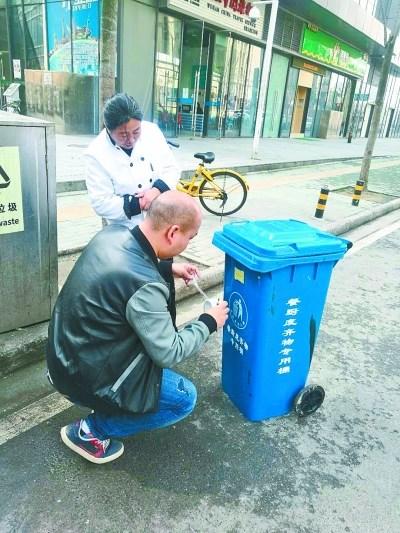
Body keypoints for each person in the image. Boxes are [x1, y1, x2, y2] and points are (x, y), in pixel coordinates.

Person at [46, 191, 229, 464]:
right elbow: (169, 352)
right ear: (173, 232)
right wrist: (209, 321)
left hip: (62, 358)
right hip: (83, 377)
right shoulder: (145, 286)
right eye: (190, 238)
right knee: (183, 398)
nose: (189, 243)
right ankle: (91, 432)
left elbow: (130, 267)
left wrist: (168, 268)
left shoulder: (114, 233)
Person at [85, 93, 180, 228]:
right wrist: (139, 203)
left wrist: (156, 191)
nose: (131, 140)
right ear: (108, 129)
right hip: (126, 228)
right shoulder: (96, 153)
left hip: (161, 220)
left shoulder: (152, 131)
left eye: (136, 131)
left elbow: (171, 169)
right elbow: (100, 202)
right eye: (123, 134)